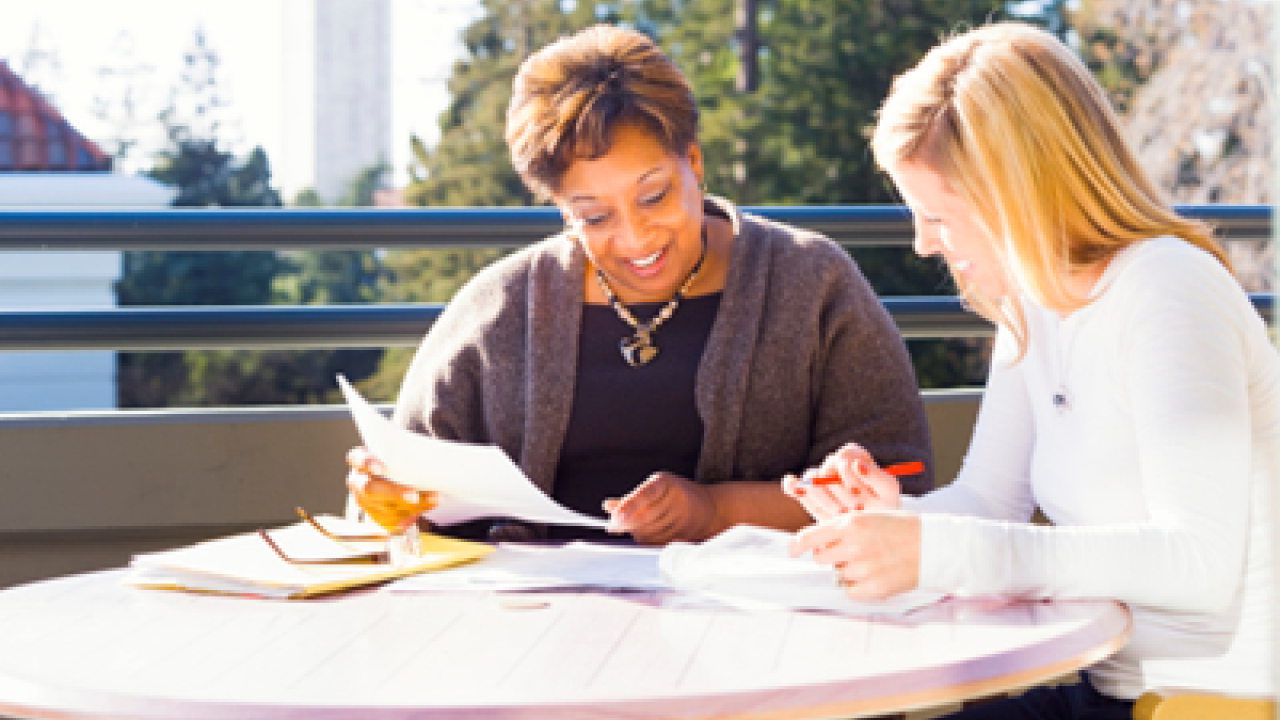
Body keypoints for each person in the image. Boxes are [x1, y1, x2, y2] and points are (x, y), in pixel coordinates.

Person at [785, 22, 1277, 717]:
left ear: (1014, 195)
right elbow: (988, 504)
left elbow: (1197, 562)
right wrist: (896, 521)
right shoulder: (1034, 306)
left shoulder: (1170, 292)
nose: (925, 243)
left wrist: (938, 551)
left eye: (938, 216)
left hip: (1205, 701)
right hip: (1108, 686)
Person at [345, 24, 934, 545]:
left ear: (695, 165)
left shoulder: (813, 284)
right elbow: (402, 499)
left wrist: (716, 512)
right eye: (594, 216)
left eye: (654, 196)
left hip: (758, 631)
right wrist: (386, 500)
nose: (635, 238)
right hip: (536, 629)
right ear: (559, 207)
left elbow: (898, 483)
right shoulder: (497, 308)